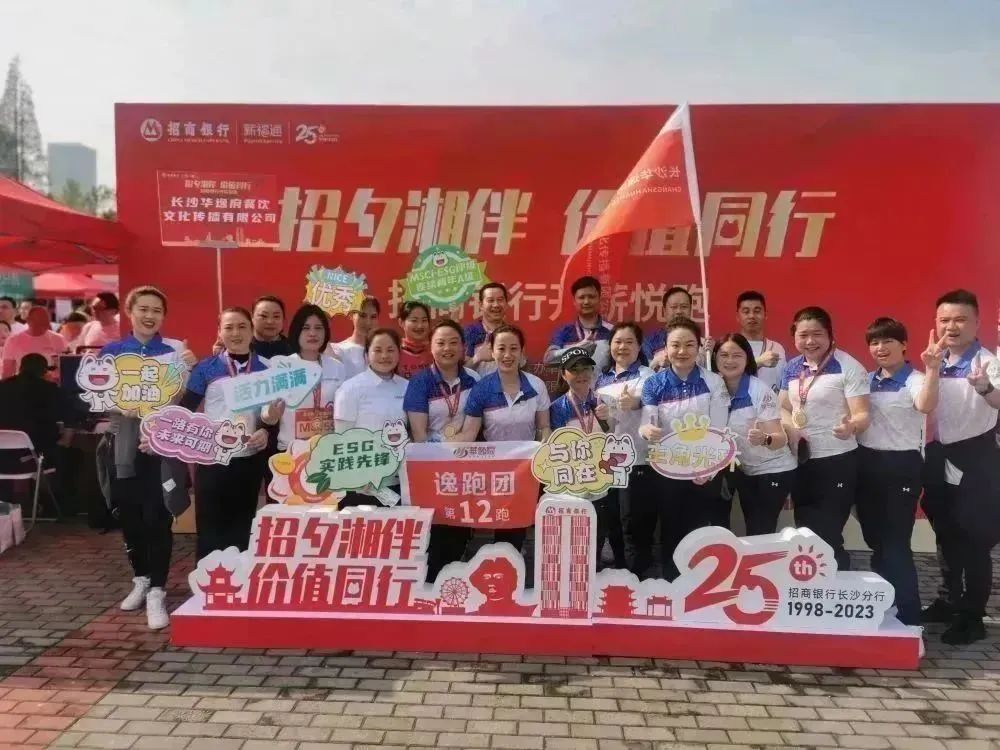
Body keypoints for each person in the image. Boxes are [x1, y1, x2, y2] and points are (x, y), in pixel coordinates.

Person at [103, 285, 195, 630]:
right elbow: (96, 398)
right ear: (130, 312)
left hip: (161, 447)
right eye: (143, 308)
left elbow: (182, 400)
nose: (149, 315)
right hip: (124, 446)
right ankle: (140, 578)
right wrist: (120, 406)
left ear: (163, 316)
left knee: (158, 517)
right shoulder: (112, 352)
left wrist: (189, 370)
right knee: (130, 518)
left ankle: (158, 589)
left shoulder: (174, 351)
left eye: (157, 310)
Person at [919, 290, 1000, 644]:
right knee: (945, 533)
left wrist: (984, 387)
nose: (951, 327)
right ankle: (948, 599)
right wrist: (930, 369)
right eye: (944, 320)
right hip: (938, 455)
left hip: (976, 458)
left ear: (976, 323)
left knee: (974, 540)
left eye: (960, 319)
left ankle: (972, 616)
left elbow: (998, 398)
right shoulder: (934, 359)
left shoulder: (988, 361)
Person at [856, 318, 937, 627]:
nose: (880, 347)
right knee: (875, 539)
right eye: (874, 342)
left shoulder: (915, 379)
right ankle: (885, 606)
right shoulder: (865, 381)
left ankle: (908, 617)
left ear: (903, 345)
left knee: (895, 543)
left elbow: (925, 404)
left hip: (901, 466)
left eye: (888, 341)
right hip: (867, 463)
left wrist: (932, 369)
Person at [780, 306, 871, 571]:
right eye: (803, 335)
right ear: (794, 337)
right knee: (805, 532)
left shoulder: (848, 366)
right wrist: (790, 427)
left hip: (837, 460)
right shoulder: (791, 368)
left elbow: (862, 414)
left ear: (830, 335)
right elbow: (782, 406)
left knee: (828, 533)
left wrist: (851, 426)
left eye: (817, 334)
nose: (810, 341)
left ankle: (837, 579)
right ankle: (812, 584)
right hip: (802, 460)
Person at [638, 317, 729, 579]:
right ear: (665, 348)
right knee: (671, 528)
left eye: (689, 344)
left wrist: (709, 470)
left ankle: (701, 583)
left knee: (700, 530)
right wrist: (646, 430)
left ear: (699, 347)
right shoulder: (654, 384)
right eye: (675, 345)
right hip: (668, 469)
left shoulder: (714, 382)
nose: (682, 351)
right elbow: (647, 421)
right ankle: (672, 583)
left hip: (705, 470)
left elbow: (719, 429)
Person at [181, 307, 275, 560]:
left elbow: (272, 414)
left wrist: (265, 430)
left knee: (242, 524)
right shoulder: (206, 368)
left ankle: (238, 578)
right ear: (219, 332)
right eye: (229, 327)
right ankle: (207, 580)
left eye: (242, 326)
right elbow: (185, 408)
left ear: (252, 331)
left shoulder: (266, 369)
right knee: (210, 526)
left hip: (249, 458)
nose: (236, 333)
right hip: (212, 460)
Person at [460, 324, 552, 555]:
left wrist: (543, 450)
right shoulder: (482, 388)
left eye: (514, 348)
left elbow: (544, 427)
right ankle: (500, 563)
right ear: (492, 352)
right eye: (501, 348)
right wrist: (439, 448)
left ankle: (514, 563)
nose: (508, 355)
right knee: (500, 524)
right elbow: (469, 433)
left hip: (527, 470)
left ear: (522, 352)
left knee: (519, 526)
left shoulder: (536, 385)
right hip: (494, 472)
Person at [404, 319, 480, 579]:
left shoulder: (474, 380)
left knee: (460, 527)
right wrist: (445, 452)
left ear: (463, 347)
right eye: (441, 343)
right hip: (432, 469)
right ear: (431, 347)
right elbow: (419, 435)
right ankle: (429, 584)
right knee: (434, 531)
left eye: (453, 342)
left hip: (465, 468)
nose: (447, 348)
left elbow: (475, 426)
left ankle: (454, 582)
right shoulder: (420, 382)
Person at [712, 334, 796, 536]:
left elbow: (780, 438)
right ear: (715, 359)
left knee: (760, 531)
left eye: (737, 355)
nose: (730, 360)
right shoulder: (716, 390)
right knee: (752, 530)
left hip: (773, 470)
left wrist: (764, 439)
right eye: (724, 355)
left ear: (747, 359)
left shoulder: (758, 390)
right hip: (746, 471)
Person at [550, 347, 620, 566]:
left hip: (602, 480)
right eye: (574, 369)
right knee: (573, 538)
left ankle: (595, 570)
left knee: (599, 532)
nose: (581, 374)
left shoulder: (605, 400)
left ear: (593, 372)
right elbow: (556, 446)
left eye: (586, 369)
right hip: (572, 483)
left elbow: (616, 438)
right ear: (564, 375)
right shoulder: (557, 407)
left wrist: (609, 418)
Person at [595, 322, 655, 574]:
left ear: (639, 347)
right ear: (610, 346)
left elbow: (652, 405)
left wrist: (636, 402)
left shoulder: (647, 376)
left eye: (629, 342)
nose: (623, 347)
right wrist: (602, 415)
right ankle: (619, 579)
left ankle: (637, 580)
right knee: (614, 525)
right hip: (609, 464)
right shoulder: (601, 379)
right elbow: (605, 424)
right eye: (618, 342)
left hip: (638, 462)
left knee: (635, 526)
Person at [334, 327, 409, 507]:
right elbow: (342, 437)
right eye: (378, 350)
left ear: (399, 354)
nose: (384, 356)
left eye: (390, 350)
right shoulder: (351, 388)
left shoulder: (407, 387)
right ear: (366, 355)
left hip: (399, 479)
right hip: (363, 483)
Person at [262, 304, 347, 454]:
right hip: (291, 452)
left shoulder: (337, 367)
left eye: (318, 328)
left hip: (328, 451)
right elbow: (266, 415)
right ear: (297, 332)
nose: (312, 333)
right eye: (306, 328)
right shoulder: (282, 367)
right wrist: (271, 414)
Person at [544, 276, 614, 373]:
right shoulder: (563, 332)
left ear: (599, 299)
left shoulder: (613, 331)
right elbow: (548, 360)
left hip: (605, 383)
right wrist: (576, 350)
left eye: (591, 297)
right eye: (581, 297)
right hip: (572, 383)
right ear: (574, 301)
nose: (586, 302)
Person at [643, 286, 713, 370]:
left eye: (684, 307)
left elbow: (707, 373)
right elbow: (643, 373)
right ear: (664, 311)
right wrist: (656, 362)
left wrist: (709, 355)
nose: (679, 311)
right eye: (674, 307)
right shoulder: (650, 341)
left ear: (690, 309)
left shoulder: (703, 344)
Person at [736, 290, 787, 393]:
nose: (751, 316)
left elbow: (784, 385)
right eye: (746, 312)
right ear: (738, 316)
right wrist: (758, 362)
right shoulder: (730, 347)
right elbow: (727, 377)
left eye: (757, 311)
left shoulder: (777, 348)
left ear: (765, 314)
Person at [1, 306, 67, 379]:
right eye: (37, 323)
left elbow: (65, 367)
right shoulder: (13, 340)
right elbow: (7, 371)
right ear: (28, 321)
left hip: (50, 383)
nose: (41, 327)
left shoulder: (58, 339)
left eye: (44, 323)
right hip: (23, 383)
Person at [464, 282, 510, 375]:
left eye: (500, 300)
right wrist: (477, 358)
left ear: (506, 303)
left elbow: (523, 370)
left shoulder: (512, 334)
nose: (496, 305)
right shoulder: (469, 332)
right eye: (490, 300)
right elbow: (457, 375)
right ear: (481, 305)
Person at [330, 295, 379, 379]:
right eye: (362, 315)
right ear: (351, 315)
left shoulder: (384, 352)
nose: (368, 322)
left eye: (373, 317)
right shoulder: (337, 350)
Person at [397, 300, 433, 379]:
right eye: (414, 320)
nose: (420, 326)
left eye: (424, 320)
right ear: (401, 322)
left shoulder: (434, 353)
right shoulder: (395, 354)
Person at [250, 295, 290, 359]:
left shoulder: (294, 349)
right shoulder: (241, 348)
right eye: (263, 316)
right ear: (252, 317)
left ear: (283, 319)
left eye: (276, 316)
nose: (270, 322)